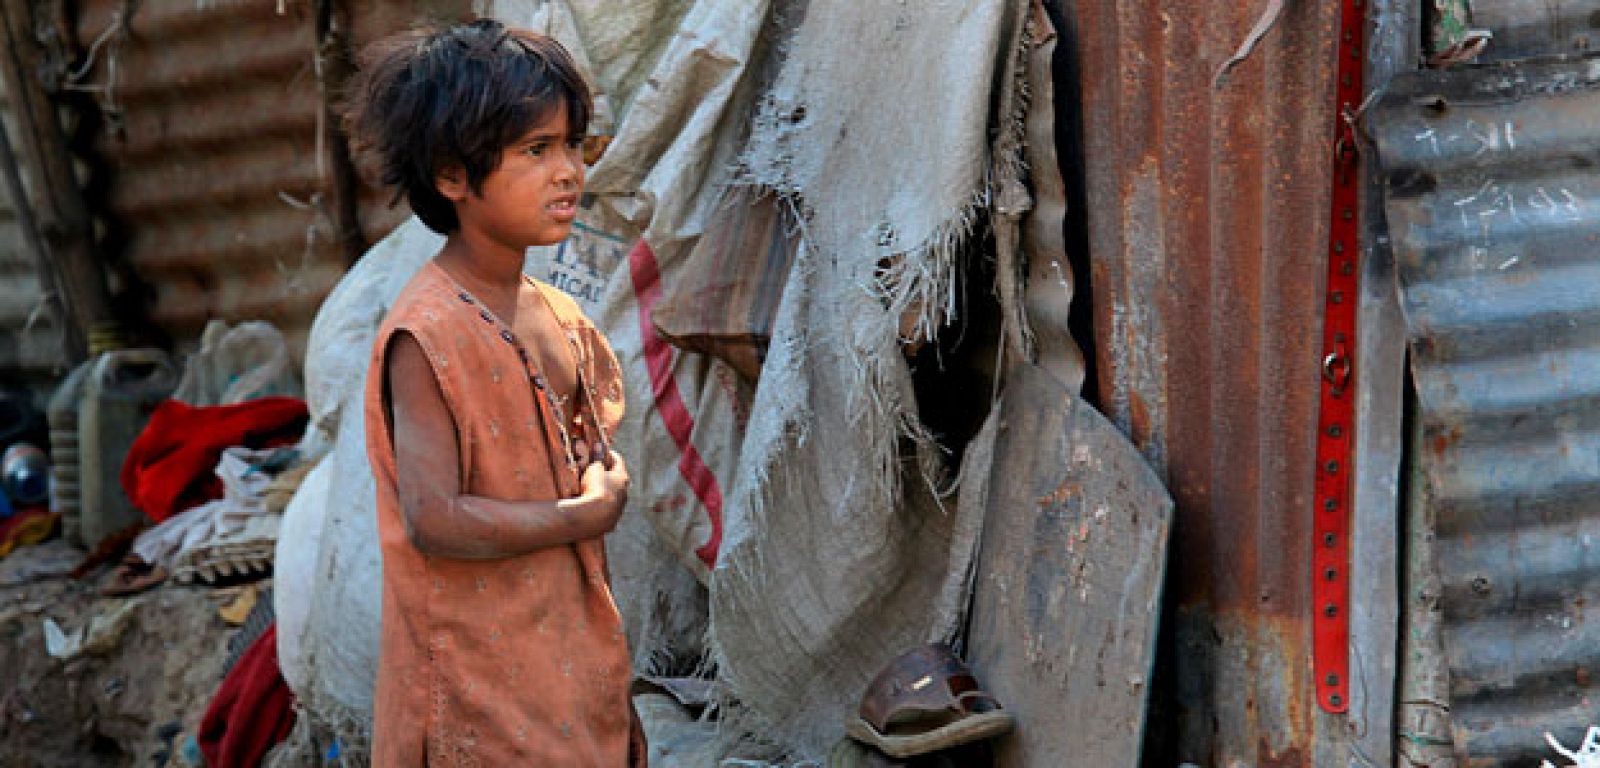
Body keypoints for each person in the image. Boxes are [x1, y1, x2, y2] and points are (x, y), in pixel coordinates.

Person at [348, 19, 641, 766]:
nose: (569, 171)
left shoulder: (559, 316)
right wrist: (580, 516)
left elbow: (580, 456)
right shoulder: (429, 333)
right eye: (536, 151)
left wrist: (604, 481)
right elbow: (434, 518)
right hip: (472, 693)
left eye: (573, 145)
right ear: (452, 176)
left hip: (570, 673)